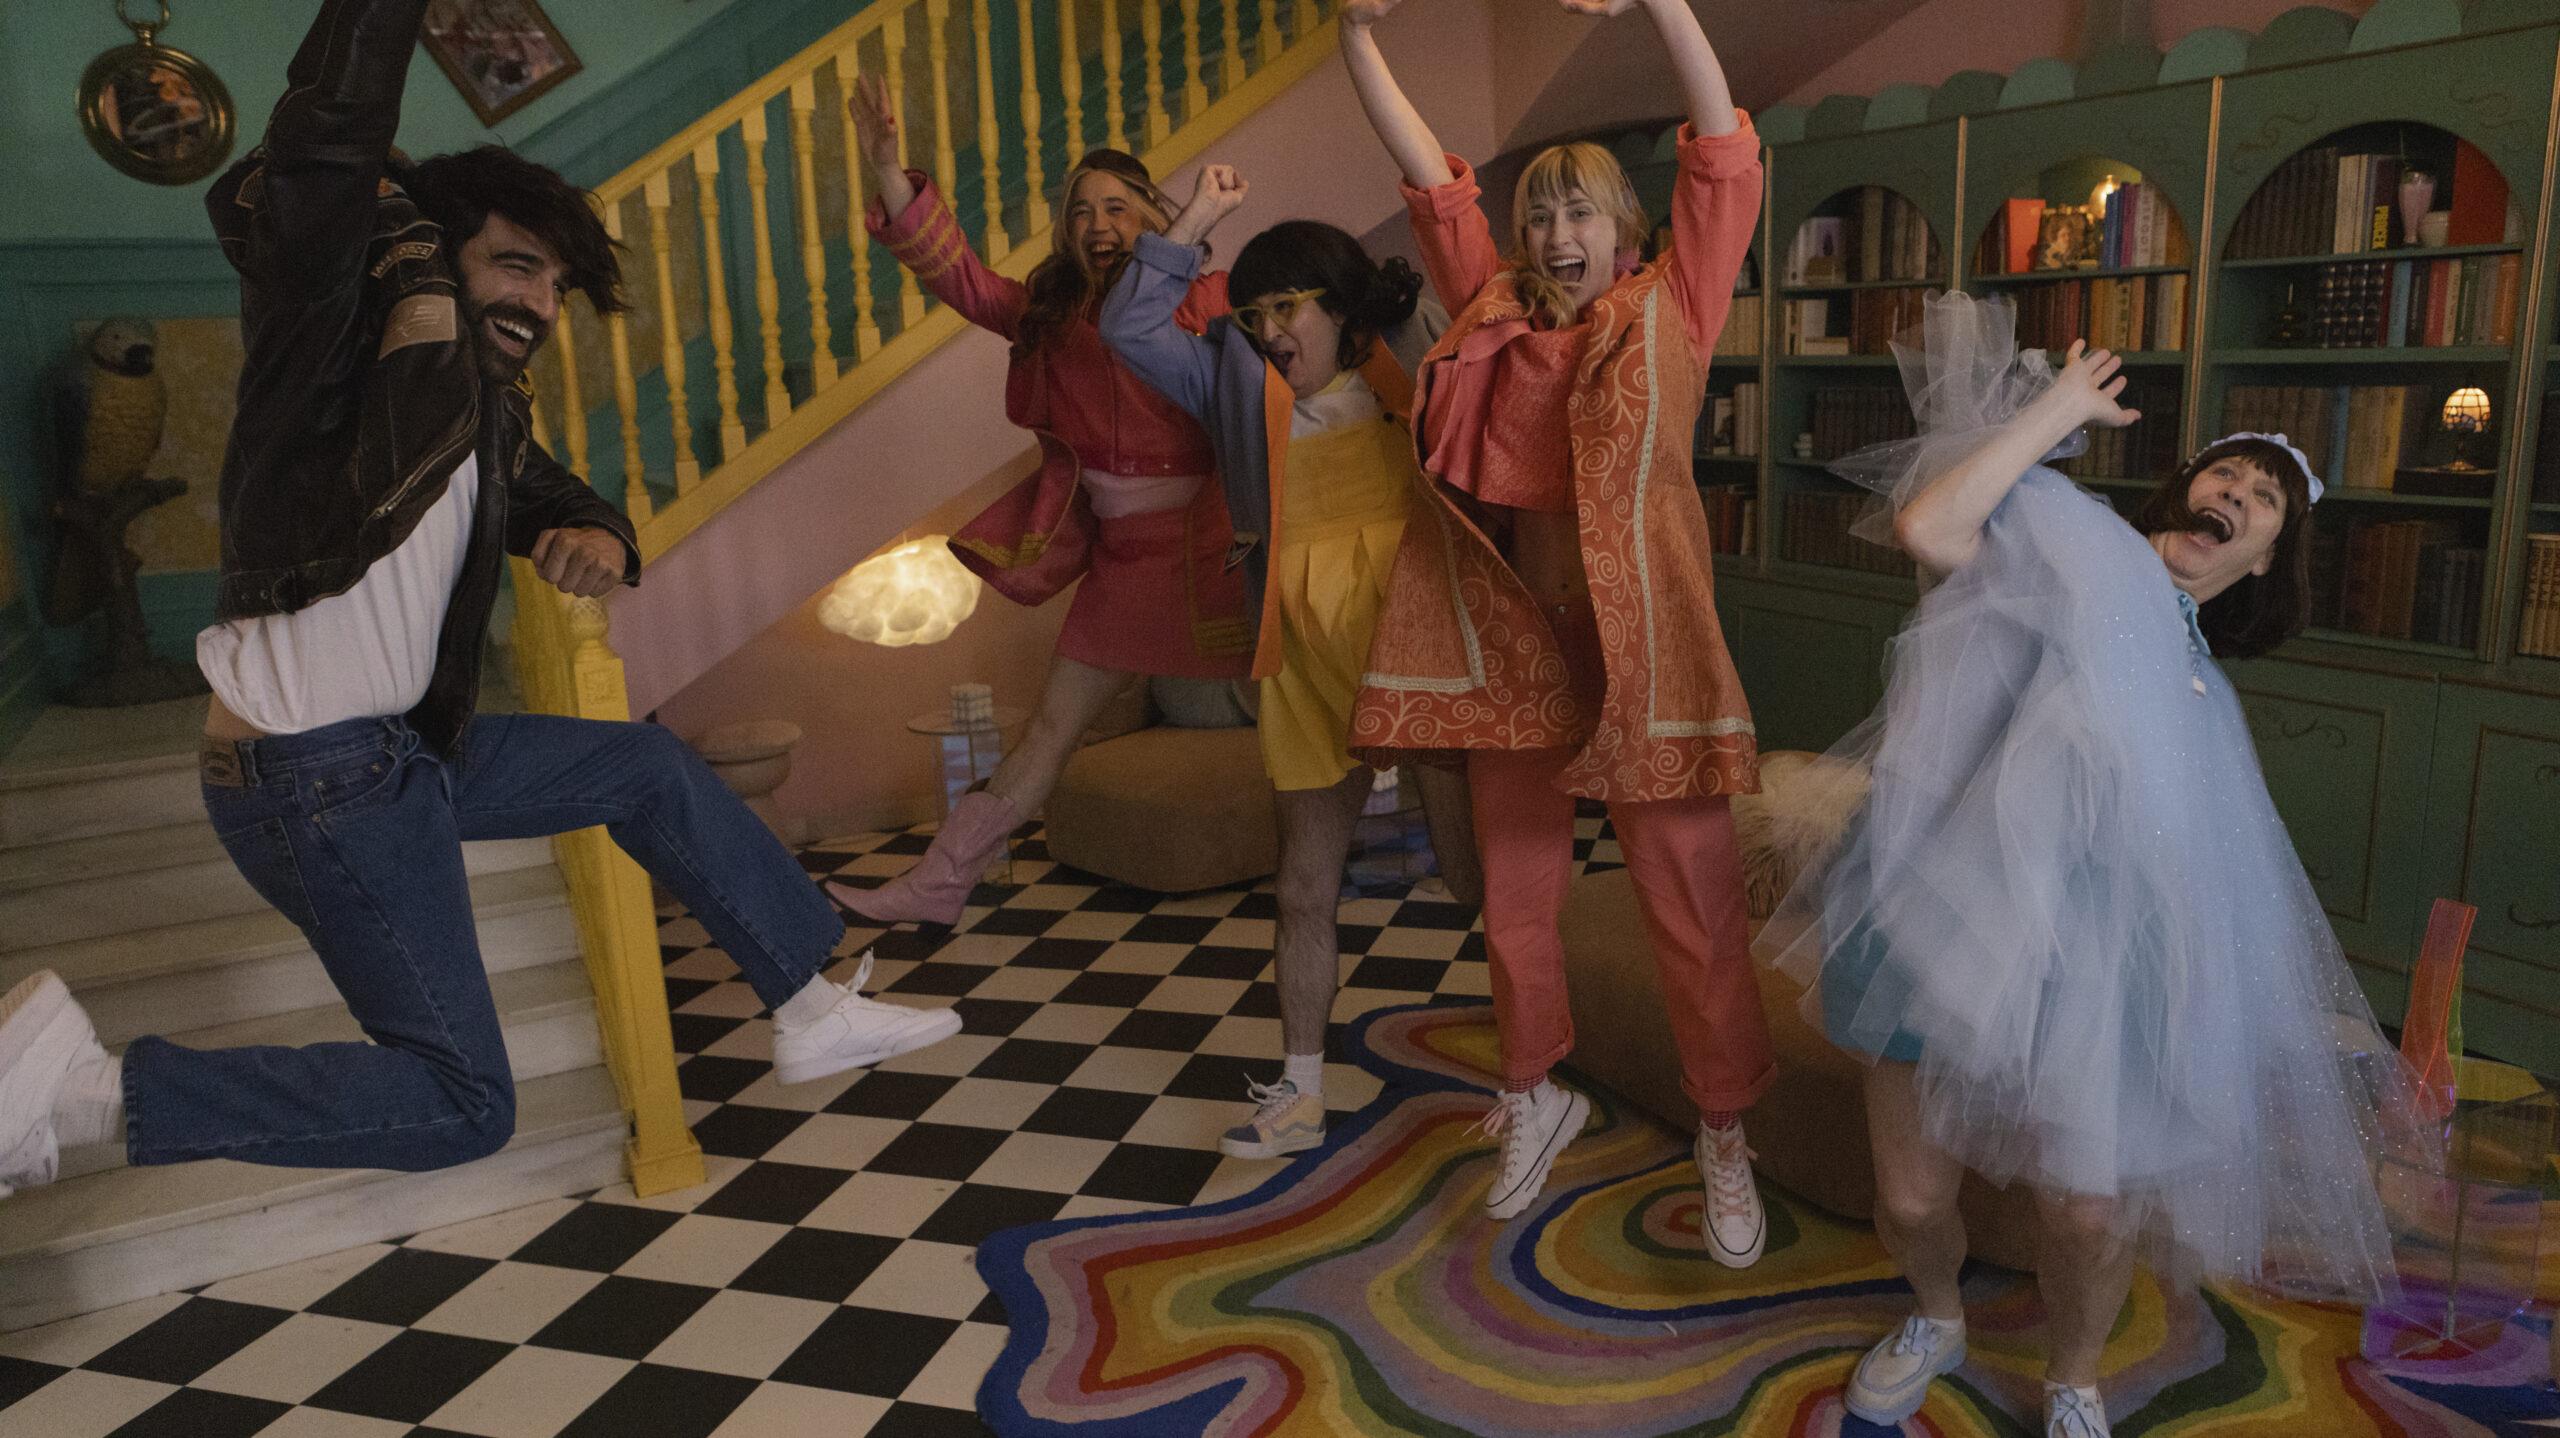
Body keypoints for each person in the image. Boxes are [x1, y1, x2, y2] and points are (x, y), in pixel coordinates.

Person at [0, 0, 959, 1197]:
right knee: (462, 1103)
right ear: (422, 255)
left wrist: (598, 530)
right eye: (516, 264)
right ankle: (85, 1089)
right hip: (313, 775)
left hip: (396, 751)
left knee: (646, 767)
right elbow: (326, 145)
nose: (542, 303)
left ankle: (810, 1003)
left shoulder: (480, 411)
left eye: (556, 283)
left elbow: (549, 487)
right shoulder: (329, 340)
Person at [1757, 293, 2409, 1437]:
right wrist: (2059, 406)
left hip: (2094, 970)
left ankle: (2072, 1378)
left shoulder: (2203, 695)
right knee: (1910, 1194)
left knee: (2091, 1216)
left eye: (2262, 498)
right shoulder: (2068, 542)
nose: (2234, 492)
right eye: (2222, 473)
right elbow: (1931, 529)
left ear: (2264, 558)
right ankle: (1936, 1314)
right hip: (1932, 909)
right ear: (2180, 493)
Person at [1336, 0, 1775, 1266]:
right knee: (1514, 897)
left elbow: (1720, 149)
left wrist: (1661, 2)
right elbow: (1430, 181)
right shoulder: (1489, 313)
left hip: (1650, 659)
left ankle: (1724, 1130)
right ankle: (1533, 1091)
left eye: (1579, 211)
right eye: (1538, 214)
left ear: (1627, 230)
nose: (1554, 233)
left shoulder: (1674, 304)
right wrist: (1355, 38)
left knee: (1690, 905)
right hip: (1521, 647)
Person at [1101, 179, 1478, 1158]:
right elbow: (1128, 326)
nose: (1268, 331)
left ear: (1340, 308)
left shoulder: (1411, 358)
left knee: (1474, 880)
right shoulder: (1232, 381)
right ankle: (1301, 1094)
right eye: (1254, 313)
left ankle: (1534, 1073)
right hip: (1303, 665)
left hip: (1421, 652)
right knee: (1304, 888)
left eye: (1287, 307)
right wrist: (1192, 225)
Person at [827, 76, 1248, 929]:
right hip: (1124, 562)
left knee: (1309, 702)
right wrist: (887, 168)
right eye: (1081, 211)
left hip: (1217, 552)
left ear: (1154, 216)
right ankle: (942, 880)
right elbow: (959, 278)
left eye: (1118, 206)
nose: (1098, 223)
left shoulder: (1212, 298)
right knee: (1052, 727)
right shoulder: (1047, 316)